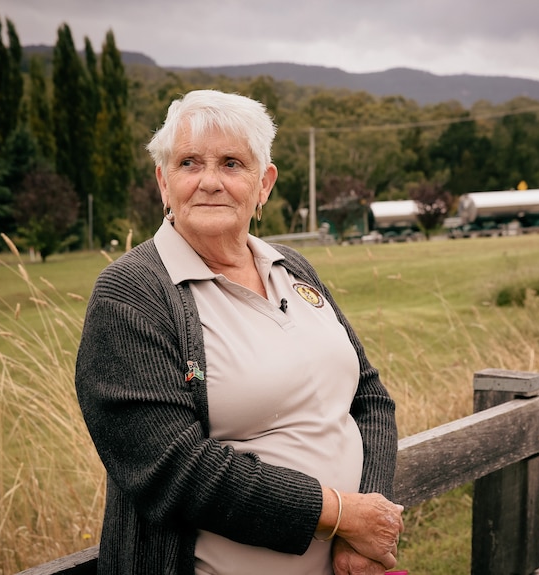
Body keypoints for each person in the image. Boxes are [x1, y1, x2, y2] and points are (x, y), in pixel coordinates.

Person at [75, 89, 404, 575]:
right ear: (164, 182)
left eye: (232, 163)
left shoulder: (292, 266)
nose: (209, 181)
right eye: (189, 163)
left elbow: (369, 397)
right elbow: (172, 470)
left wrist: (364, 530)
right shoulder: (131, 292)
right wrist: (338, 515)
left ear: (264, 184)